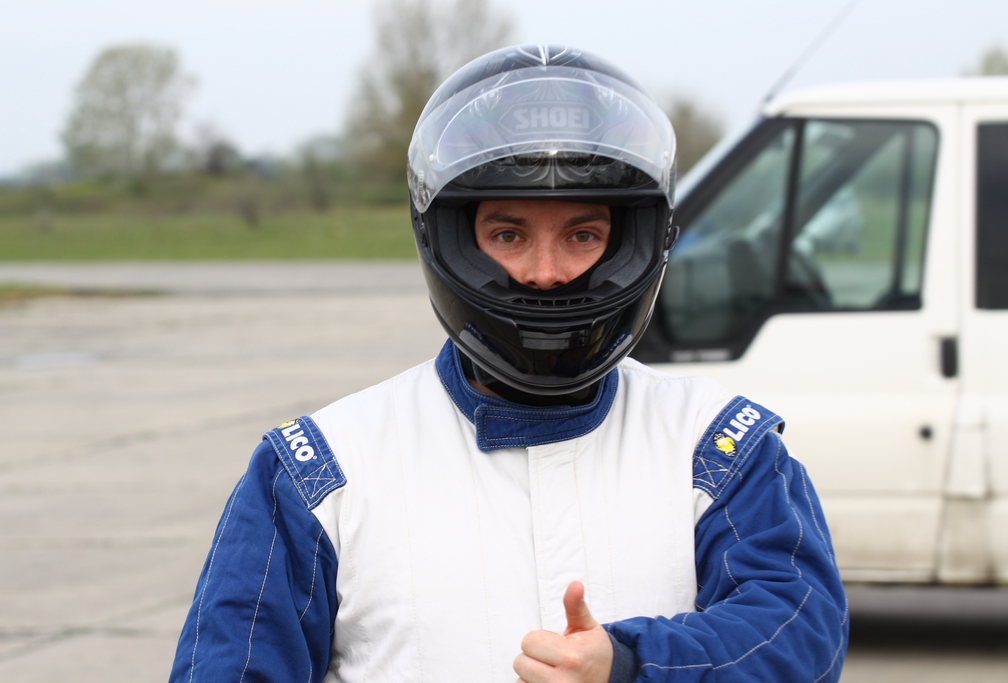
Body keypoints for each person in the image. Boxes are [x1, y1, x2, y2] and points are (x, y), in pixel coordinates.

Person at [169, 45, 847, 683]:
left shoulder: (718, 445)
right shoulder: (324, 470)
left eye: (583, 234)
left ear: (637, 241)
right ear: (448, 237)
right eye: (507, 234)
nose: (545, 274)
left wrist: (633, 664)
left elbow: (798, 629)